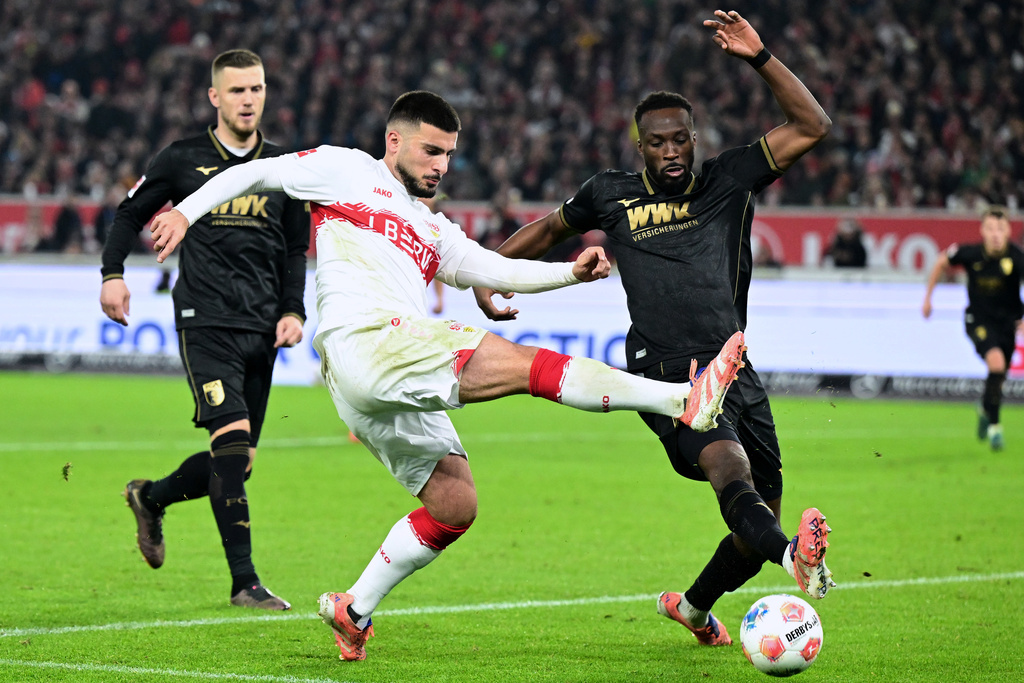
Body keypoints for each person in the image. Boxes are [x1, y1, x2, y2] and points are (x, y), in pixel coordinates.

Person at [148, 89, 746, 661]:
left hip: (372, 383)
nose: (441, 166)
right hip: (368, 342)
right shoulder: (347, 170)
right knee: (527, 365)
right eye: (431, 151)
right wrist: (185, 211)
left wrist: (570, 272)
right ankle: (680, 400)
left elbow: (491, 266)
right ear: (393, 141)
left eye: (450, 155)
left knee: (454, 502)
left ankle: (354, 609)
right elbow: (256, 173)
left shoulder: (434, 228)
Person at [475, 10, 836, 647]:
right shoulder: (610, 194)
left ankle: (694, 608)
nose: (671, 151)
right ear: (639, 144)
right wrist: (488, 271)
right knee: (730, 470)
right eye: (658, 142)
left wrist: (759, 57)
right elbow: (548, 230)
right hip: (665, 372)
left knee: (754, 524)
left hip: (734, 369)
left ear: (693, 138)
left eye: (680, 139)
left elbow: (813, 125)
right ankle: (797, 563)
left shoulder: (728, 178)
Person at [99, 49, 310, 610]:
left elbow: (295, 247)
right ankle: (245, 583)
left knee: (235, 464)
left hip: (263, 325)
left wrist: (294, 310)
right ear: (215, 97)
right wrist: (113, 274)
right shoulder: (183, 158)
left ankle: (151, 496)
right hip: (205, 320)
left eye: (257, 89)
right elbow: (128, 213)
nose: (249, 99)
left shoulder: (284, 167)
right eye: (237, 90)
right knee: (231, 445)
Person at [922, 207, 1024, 451]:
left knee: (998, 379)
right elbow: (941, 261)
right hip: (977, 321)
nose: (995, 234)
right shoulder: (970, 254)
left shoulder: (1017, 258)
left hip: (1007, 324)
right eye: (990, 228)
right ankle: (995, 428)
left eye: (1000, 229)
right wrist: (928, 298)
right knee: (996, 364)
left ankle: (984, 409)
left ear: (1009, 231)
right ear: (982, 231)